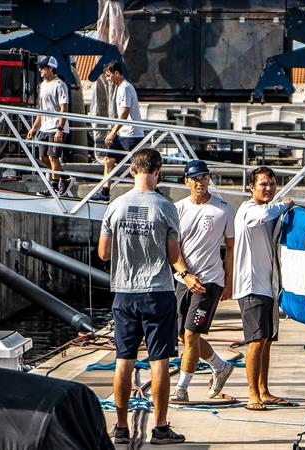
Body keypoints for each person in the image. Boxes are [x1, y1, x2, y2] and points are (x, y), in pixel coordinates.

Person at [98, 148, 189, 445]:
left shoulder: (115, 205)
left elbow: (103, 253)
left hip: (124, 291)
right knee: (159, 360)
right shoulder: (166, 206)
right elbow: (173, 255)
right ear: (158, 171)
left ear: (131, 171)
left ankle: (121, 427)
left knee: (123, 359)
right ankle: (161, 428)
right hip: (157, 291)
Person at [170, 160, 236, 403]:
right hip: (184, 279)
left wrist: (229, 281)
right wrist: (185, 275)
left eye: (204, 177)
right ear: (186, 181)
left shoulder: (223, 209)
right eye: (195, 178)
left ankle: (182, 388)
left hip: (210, 281)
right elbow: (172, 248)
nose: (201, 182)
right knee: (182, 335)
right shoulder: (177, 209)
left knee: (190, 335)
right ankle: (220, 366)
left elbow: (230, 247)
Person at [232, 166, 294, 411]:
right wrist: (284, 204)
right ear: (251, 187)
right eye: (263, 184)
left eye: (271, 184)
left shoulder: (268, 213)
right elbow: (261, 215)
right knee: (256, 341)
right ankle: (252, 395)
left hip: (266, 287)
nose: (268, 189)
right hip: (251, 287)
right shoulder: (248, 210)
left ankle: (264, 391)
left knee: (266, 341)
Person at [91, 61, 143, 202]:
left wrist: (112, 132)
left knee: (138, 166)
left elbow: (124, 113)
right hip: (123, 134)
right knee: (109, 160)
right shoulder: (120, 87)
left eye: (109, 76)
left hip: (131, 134)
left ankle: (150, 190)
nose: (108, 79)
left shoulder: (125, 88)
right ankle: (105, 192)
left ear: (117, 73)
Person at [26, 56, 72, 197]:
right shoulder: (43, 85)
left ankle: (53, 188)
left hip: (56, 128)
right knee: (42, 157)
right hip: (45, 127)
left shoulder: (60, 85)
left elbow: (64, 108)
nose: (40, 70)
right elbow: (42, 110)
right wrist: (34, 128)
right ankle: (65, 178)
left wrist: (60, 129)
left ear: (51, 68)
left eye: (43, 67)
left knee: (53, 157)